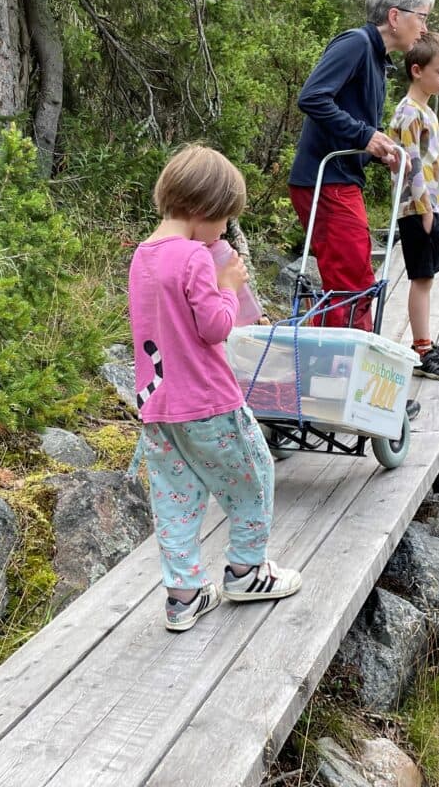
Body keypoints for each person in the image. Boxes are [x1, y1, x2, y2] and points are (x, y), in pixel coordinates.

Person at [128, 145, 302, 632]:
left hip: (158, 405)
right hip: (208, 402)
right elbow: (215, 327)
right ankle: (246, 571)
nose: (224, 230)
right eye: (224, 218)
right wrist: (227, 284)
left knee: (176, 498)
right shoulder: (195, 257)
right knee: (254, 475)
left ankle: (183, 595)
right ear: (203, 208)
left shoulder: (143, 255)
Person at [288, 0, 435, 332]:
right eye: (422, 17)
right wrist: (365, 135)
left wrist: (379, 152)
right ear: (395, 16)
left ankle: (332, 356)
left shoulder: (376, 59)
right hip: (326, 180)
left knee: (350, 280)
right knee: (352, 282)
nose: (425, 29)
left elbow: (347, 124)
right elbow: (312, 98)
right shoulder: (355, 43)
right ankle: (345, 361)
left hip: (339, 178)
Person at [388, 32, 439, 380]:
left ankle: (427, 342)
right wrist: (424, 210)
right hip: (418, 210)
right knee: (421, 278)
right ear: (417, 71)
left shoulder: (426, 110)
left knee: (428, 278)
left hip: (434, 208)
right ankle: (421, 351)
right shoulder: (409, 113)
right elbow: (413, 165)